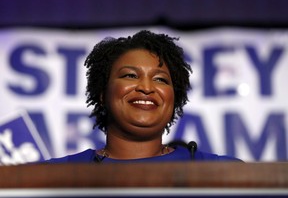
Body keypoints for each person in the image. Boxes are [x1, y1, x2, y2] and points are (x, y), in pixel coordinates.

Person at [47, 30, 241, 163]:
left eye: (160, 79)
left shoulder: (224, 173)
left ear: (175, 98)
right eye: (130, 75)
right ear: (102, 94)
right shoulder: (54, 176)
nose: (147, 88)